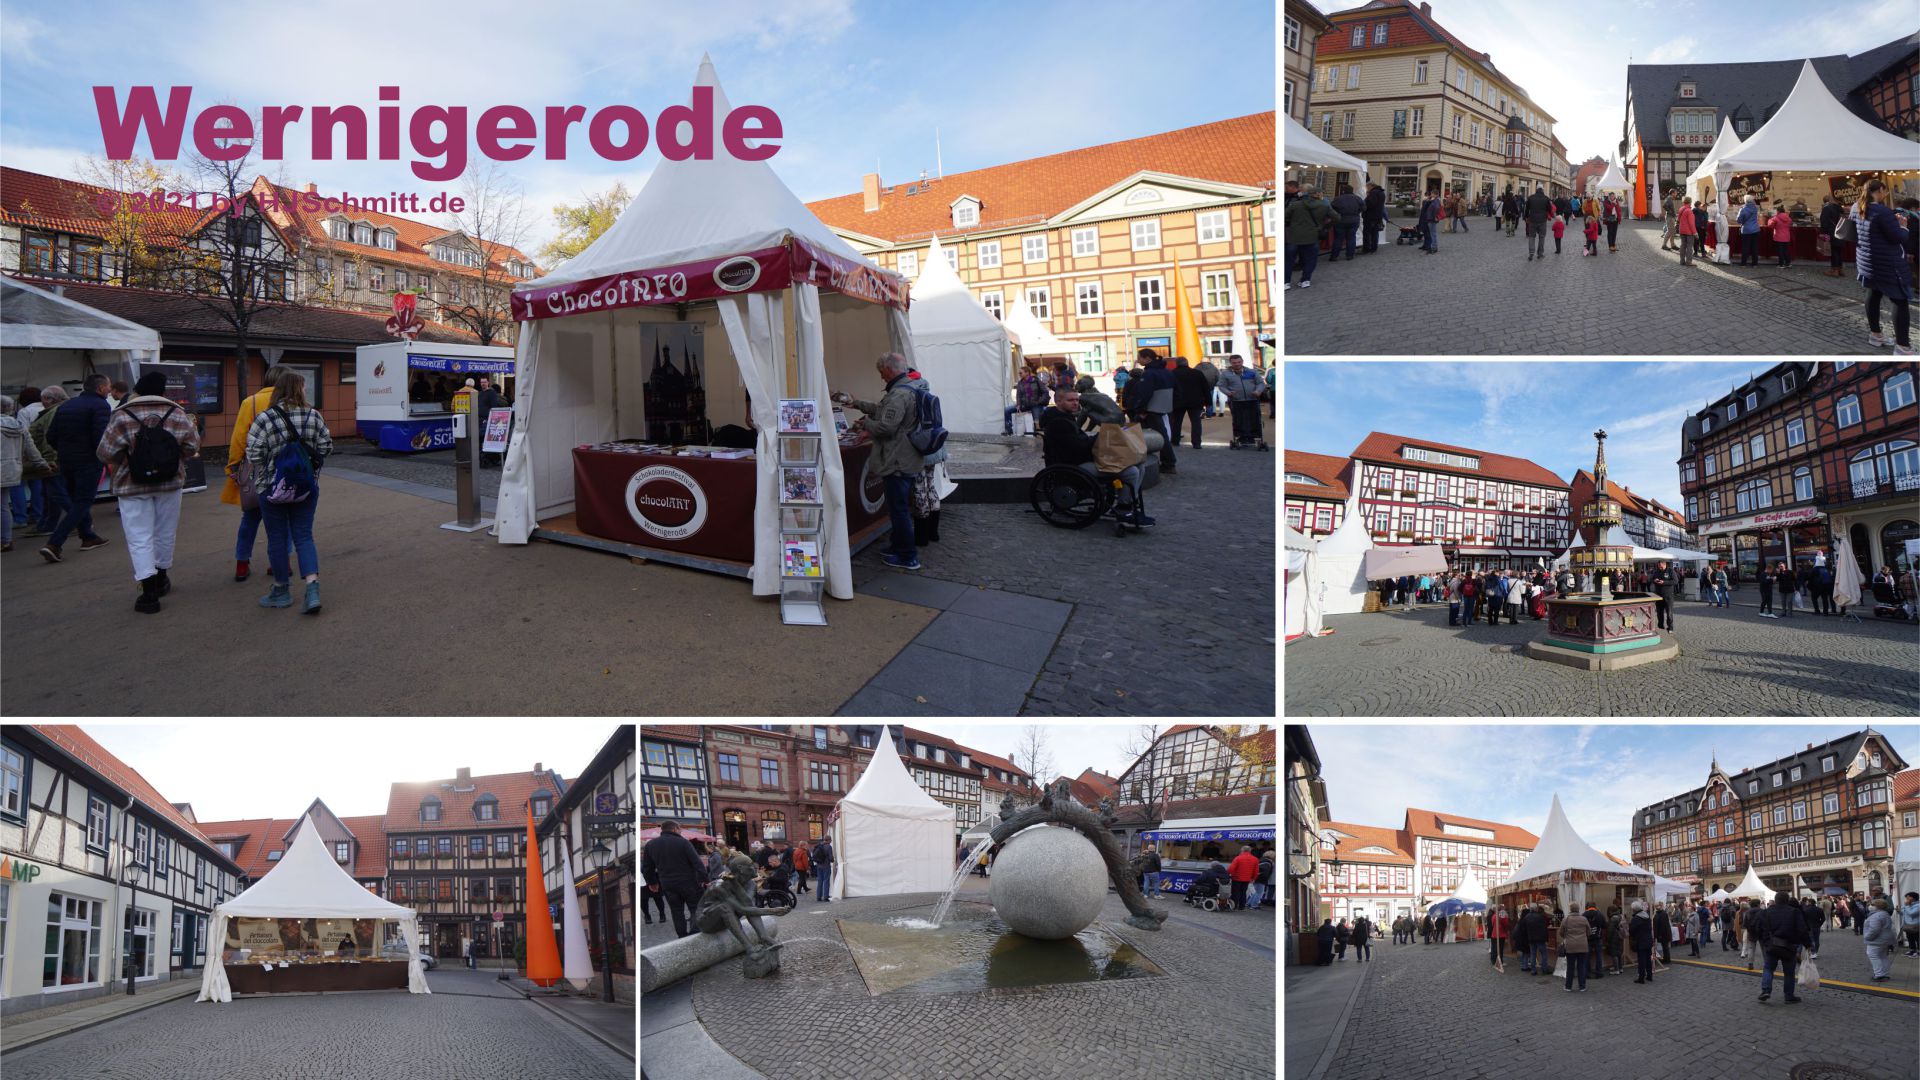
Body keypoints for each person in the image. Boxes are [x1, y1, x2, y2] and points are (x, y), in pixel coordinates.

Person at [95, 371, 202, 613]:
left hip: (132, 484)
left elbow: (104, 452)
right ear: (163, 391)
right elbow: (192, 446)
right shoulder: (176, 413)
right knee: (165, 531)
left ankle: (148, 592)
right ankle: (162, 576)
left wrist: (129, 459)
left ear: (138, 389)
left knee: (139, 536)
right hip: (170, 482)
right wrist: (171, 458)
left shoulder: (122, 415)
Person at [245, 369, 335, 614]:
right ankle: (312, 589)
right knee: (304, 536)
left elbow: (253, 454)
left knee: (277, 538)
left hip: (271, 488)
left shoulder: (265, 418)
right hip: (305, 487)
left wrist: (274, 461)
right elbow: (326, 448)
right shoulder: (313, 416)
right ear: (299, 389)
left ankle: (281, 590)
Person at [836, 353, 928, 572]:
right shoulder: (911, 388)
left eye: (881, 372)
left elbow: (886, 427)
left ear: (889, 369)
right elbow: (884, 413)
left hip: (897, 460)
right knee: (899, 508)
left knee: (899, 510)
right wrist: (857, 403)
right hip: (906, 458)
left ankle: (907, 556)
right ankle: (898, 547)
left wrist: (865, 424)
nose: (881, 377)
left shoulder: (898, 394)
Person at [222, 364, 291, 582]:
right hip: (285, 468)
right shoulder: (292, 403)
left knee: (250, 517)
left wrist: (233, 465)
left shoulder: (250, 402)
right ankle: (281, 562)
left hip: (256, 469)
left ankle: (242, 563)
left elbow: (239, 438)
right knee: (283, 518)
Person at [1041, 388, 1148, 527]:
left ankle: (1127, 501)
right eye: (1070, 400)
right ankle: (1124, 506)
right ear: (1058, 401)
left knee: (1139, 464)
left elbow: (1079, 442)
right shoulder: (1058, 423)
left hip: (1081, 459)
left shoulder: (1065, 417)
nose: (1075, 403)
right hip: (1072, 466)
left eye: (1077, 400)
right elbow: (1077, 447)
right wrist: (1102, 435)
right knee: (1131, 471)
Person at [38, 372, 113, 563]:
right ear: (100, 388)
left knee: (76, 500)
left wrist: (64, 450)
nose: (110, 390)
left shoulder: (66, 405)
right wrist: (106, 458)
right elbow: (101, 437)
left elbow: (51, 436)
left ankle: (88, 536)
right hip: (88, 460)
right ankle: (54, 543)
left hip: (66, 460)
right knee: (82, 501)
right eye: (108, 386)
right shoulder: (100, 405)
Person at [1856, 178, 1914, 354]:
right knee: (1900, 301)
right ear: (1880, 190)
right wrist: (1903, 227)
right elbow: (1898, 237)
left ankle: (1876, 335)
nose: (1885, 194)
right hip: (1887, 263)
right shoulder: (1882, 211)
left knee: (1873, 295)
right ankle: (1903, 346)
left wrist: (1892, 222)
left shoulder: (1856, 207)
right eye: (1885, 191)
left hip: (1867, 261)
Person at [639, 820, 709, 938]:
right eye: (680, 829)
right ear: (674, 829)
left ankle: (682, 936)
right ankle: (695, 934)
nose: (680, 831)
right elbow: (697, 862)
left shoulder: (650, 845)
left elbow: (647, 867)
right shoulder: (683, 842)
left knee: (676, 911)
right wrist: (704, 878)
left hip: (668, 884)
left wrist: (652, 882)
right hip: (689, 882)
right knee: (695, 908)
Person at [0, 397, 49, 554]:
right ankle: (6, 540)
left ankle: (6, 539)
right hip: (12, 469)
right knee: (3, 507)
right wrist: (42, 464)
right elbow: (31, 449)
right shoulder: (19, 426)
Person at [1758, 890, 1810, 1002]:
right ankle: (1788, 996)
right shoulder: (1794, 912)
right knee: (1789, 973)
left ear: (1775, 900)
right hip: (1789, 946)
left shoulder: (1767, 912)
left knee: (1768, 968)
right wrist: (1808, 944)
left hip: (1772, 945)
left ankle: (1766, 990)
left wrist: (1766, 942)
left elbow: (1761, 928)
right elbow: (1802, 930)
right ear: (1787, 900)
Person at [1284, 182, 1336, 286]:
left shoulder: (1296, 204)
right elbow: (1337, 217)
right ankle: (1305, 280)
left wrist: (1291, 223)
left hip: (1294, 235)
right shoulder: (1324, 204)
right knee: (1310, 259)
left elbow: (1285, 216)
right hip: (1312, 235)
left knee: (1289, 260)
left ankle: (1286, 282)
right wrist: (1324, 227)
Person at [1169, 357, 1208, 450]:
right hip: (1195, 401)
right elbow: (1205, 387)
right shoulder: (1197, 373)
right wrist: (1208, 402)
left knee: (1176, 422)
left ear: (1177, 364)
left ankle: (1175, 440)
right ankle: (1196, 443)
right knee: (1196, 422)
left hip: (1177, 402)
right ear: (1187, 363)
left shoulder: (1172, 373)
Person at [1862, 897, 1897, 980]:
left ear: (1877, 906)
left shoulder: (1876, 916)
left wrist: (1867, 937)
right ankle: (1884, 973)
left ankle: (1879, 974)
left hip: (1877, 940)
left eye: (1872, 904)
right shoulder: (1885, 914)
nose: (1870, 906)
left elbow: (1874, 929)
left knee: (1873, 955)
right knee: (1882, 956)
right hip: (1885, 940)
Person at [1559, 905, 1590, 992]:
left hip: (1570, 946)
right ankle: (1582, 986)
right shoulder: (1584, 919)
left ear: (1570, 910)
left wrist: (1567, 937)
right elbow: (1589, 931)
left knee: (1570, 967)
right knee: (1581, 966)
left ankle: (1568, 986)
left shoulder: (1566, 919)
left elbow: (1561, 932)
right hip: (1582, 945)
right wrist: (1583, 937)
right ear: (1578, 910)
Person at [1330, 183, 1363, 260]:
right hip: (1354, 220)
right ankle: (1350, 255)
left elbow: (1332, 208)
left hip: (1341, 220)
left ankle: (1334, 256)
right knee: (1351, 238)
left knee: (1338, 238)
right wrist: (1357, 212)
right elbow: (1364, 208)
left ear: (1343, 191)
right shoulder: (1357, 198)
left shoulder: (1338, 198)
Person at [1821, 194, 1847, 277]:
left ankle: (1834, 270)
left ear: (1832, 199)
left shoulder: (1827, 208)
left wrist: (1824, 232)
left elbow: (1824, 222)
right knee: (1839, 251)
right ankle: (1840, 269)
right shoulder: (1841, 209)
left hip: (1832, 232)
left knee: (1834, 251)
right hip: (1842, 232)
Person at [1524, 185, 1551, 262]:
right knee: (1542, 237)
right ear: (1542, 189)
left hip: (1532, 220)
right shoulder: (1546, 198)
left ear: (1536, 189)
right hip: (1542, 220)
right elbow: (1549, 209)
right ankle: (1540, 253)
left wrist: (1526, 217)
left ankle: (1531, 253)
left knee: (1531, 236)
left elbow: (1526, 209)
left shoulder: (1530, 197)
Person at [1629, 900, 1655, 983]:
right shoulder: (1647, 917)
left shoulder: (1636, 919)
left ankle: (1641, 978)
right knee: (1648, 959)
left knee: (1641, 960)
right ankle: (1649, 976)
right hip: (1648, 940)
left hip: (1640, 941)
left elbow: (1632, 931)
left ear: (1634, 909)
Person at [1227, 845, 1258, 912]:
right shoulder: (1255, 859)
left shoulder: (1238, 858)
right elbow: (1256, 871)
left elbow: (1231, 868)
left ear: (1242, 850)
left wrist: (1228, 873)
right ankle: (1242, 906)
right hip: (1247, 879)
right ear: (1250, 851)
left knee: (1235, 892)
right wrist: (1253, 878)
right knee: (1243, 892)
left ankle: (1234, 906)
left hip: (1236, 878)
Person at [1521, 903, 1548, 976]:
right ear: (1536, 909)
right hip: (1540, 938)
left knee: (1533, 954)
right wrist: (1546, 939)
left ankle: (1533, 970)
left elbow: (1524, 928)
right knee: (1544, 953)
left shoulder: (1527, 917)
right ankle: (1544, 969)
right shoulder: (1540, 916)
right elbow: (1544, 928)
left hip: (1531, 938)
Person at [1650, 560, 1677, 632]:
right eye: (1659, 566)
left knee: (1669, 613)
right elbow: (1651, 579)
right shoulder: (1656, 571)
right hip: (1658, 595)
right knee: (1659, 613)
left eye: (1661, 566)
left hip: (1668, 595)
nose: (1660, 568)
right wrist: (1654, 580)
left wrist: (1664, 582)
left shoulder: (1670, 571)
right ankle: (1660, 626)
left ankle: (1670, 628)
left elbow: (1675, 581)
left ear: (1664, 564)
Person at [1361, 182, 1386, 255]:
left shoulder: (1373, 193)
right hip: (1378, 216)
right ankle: (1374, 248)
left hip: (1370, 216)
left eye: (1367, 187)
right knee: (1374, 233)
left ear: (1371, 186)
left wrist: (1365, 203)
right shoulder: (1381, 193)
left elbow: (1371, 204)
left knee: (1367, 233)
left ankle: (1366, 249)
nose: (1367, 188)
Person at [1736, 195, 1762, 267]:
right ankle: (1755, 264)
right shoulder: (1755, 208)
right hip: (1756, 229)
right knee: (1755, 247)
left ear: (1745, 201)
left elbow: (1738, 220)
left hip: (1746, 230)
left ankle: (1743, 263)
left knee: (1745, 247)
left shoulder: (1743, 209)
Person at [810, 835, 834, 901]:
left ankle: (818, 896)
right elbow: (830, 857)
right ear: (829, 840)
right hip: (826, 866)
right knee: (826, 881)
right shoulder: (829, 847)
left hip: (819, 866)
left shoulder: (819, 845)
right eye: (831, 840)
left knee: (820, 881)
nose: (831, 841)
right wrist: (832, 860)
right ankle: (826, 896)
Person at [1676, 195, 1698, 266]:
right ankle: (1689, 262)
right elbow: (1692, 224)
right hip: (1689, 232)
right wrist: (1695, 233)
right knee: (1689, 246)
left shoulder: (1681, 209)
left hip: (1682, 230)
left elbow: (1678, 219)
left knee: (1683, 245)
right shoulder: (1689, 211)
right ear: (1690, 202)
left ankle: (1682, 261)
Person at [1487, 904, 1510, 971]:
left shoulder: (1494, 915)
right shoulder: (1501, 914)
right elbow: (1505, 923)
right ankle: (1500, 961)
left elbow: (1492, 923)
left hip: (1494, 934)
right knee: (1499, 949)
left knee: (1494, 948)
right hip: (1500, 934)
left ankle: (1494, 960)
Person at [1416, 190, 1439, 254]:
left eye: (1432, 194)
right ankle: (1426, 245)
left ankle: (1432, 247)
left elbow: (1436, 208)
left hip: (1430, 219)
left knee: (1432, 234)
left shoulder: (1436, 201)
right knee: (1426, 232)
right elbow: (1424, 208)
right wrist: (1427, 201)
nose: (1431, 195)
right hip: (1426, 218)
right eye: (1431, 194)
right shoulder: (1430, 200)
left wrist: (1434, 217)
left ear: (1435, 195)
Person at [1898, 891, 1920, 957]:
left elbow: (1912, 913)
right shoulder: (1908, 905)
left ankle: (1918, 952)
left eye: (1908, 898)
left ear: (1913, 898)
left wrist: (1906, 906)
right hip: (1907, 925)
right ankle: (1912, 950)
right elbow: (1904, 913)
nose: (1906, 899)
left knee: (1917, 938)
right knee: (1910, 938)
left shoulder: (1918, 905)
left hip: (1916, 925)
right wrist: (1899, 911)